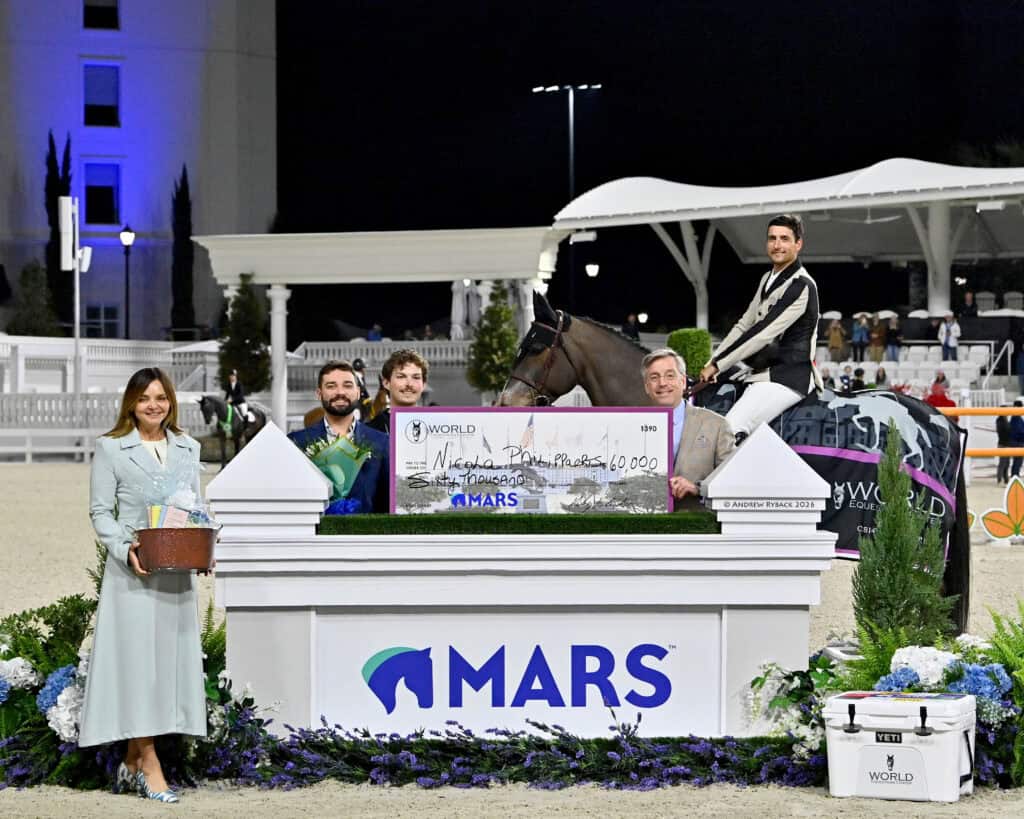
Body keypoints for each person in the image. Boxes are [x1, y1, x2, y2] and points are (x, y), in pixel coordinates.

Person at [79, 367, 206, 802]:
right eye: (145, 398)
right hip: (133, 573)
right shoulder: (111, 448)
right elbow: (100, 512)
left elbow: (196, 509)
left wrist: (203, 549)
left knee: (162, 670)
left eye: (162, 397)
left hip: (177, 576)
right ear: (131, 404)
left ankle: (132, 762)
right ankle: (150, 765)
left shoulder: (190, 448)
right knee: (136, 666)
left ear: (171, 401)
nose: (154, 404)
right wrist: (123, 549)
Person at [699, 214, 820, 443]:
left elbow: (762, 333)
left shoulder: (801, 285)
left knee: (727, 431)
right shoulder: (768, 277)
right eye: (772, 238)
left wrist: (718, 364)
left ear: (798, 244)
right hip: (762, 371)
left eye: (784, 238)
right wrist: (714, 362)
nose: (777, 245)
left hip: (786, 377)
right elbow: (745, 323)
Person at [288, 360, 389, 512]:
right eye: (331, 386)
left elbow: (387, 506)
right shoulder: (295, 442)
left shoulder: (383, 442)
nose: (340, 392)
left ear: (358, 392)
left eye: (347, 385)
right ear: (319, 393)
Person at [644, 349, 733, 509]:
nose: (662, 383)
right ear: (647, 387)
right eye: (654, 377)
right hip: (642, 525)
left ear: (683, 382)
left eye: (670, 375)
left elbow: (732, 480)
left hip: (696, 525)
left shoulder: (717, 425)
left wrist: (697, 488)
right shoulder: (628, 426)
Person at [367, 348, 429, 434]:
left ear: (423, 385)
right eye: (401, 376)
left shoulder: (440, 427)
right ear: (386, 383)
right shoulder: (368, 430)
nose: (409, 384)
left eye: (416, 377)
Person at [996, 406, 1012, 485]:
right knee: (1002, 463)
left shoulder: (1006, 420)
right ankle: (999, 479)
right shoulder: (1000, 421)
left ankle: (1006, 479)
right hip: (1002, 444)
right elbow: (1003, 432)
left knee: (1007, 463)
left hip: (1007, 443)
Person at [1011, 399, 1024, 478]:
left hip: (1018, 441)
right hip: (1018, 442)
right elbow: (1019, 431)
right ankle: (1015, 476)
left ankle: (1015, 475)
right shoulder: (1016, 418)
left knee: (1017, 461)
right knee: (1018, 461)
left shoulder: (1017, 417)